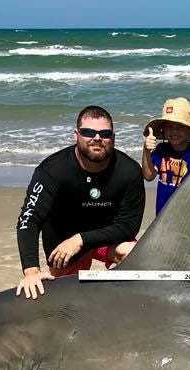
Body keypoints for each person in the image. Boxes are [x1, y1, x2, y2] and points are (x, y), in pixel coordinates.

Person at [16, 105, 145, 299]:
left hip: (105, 239)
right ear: (76, 135)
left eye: (105, 133)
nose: (97, 138)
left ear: (113, 137)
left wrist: (81, 239)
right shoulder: (52, 170)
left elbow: (129, 226)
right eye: (88, 132)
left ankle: (121, 301)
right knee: (58, 296)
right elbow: (28, 219)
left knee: (135, 254)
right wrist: (31, 270)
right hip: (63, 246)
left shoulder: (129, 171)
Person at [141, 97, 190, 214]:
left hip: (186, 214)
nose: (174, 131)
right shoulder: (161, 150)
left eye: (180, 127)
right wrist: (146, 151)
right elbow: (149, 176)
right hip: (162, 215)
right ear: (163, 130)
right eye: (169, 127)